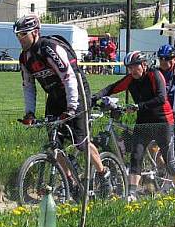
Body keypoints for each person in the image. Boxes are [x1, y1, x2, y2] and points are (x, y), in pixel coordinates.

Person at [15, 14, 113, 193]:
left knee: (81, 142)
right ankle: (71, 184)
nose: (20, 38)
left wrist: (72, 107)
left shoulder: (49, 48)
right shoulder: (24, 58)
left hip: (77, 92)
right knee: (55, 144)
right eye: (18, 35)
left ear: (35, 32)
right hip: (54, 97)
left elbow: (68, 77)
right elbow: (28, 86)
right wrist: (29, 113)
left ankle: (103, 174)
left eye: (23, 34)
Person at [94, 51, 175, 199]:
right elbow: (112, 88)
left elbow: (161, 98)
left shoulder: (155, 75)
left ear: (144, 65)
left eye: (135, 67)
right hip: (143, 122)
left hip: (162, 121)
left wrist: (138, 106)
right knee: (136, 155)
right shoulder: (130, 79)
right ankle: (132, 194)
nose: (132, 71)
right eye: (129, 68)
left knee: (168, 157)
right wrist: (94, 97)